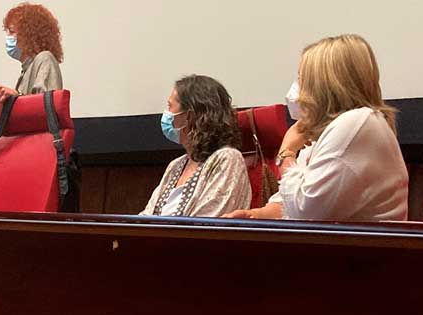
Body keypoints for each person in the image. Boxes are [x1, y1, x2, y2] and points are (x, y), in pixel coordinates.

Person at [226, 34, 408, 221]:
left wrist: (286, 153)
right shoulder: (324, 134)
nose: (297, 90)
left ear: (325, 85)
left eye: (302, 79)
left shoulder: (356, 123)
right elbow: (287, 204)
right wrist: (254, 216)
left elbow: (304, 210)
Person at [140, 75, 251, 217]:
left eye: (170, 106)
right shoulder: (176, 165)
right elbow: (147, 216)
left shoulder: (228, 158)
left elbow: (207, 223)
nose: (166, 114)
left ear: (189, 116)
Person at [0, 2, 64, 103]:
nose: (8, 37)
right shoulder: (27, 70)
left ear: (29, 35)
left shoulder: (45, 59)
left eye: (12, 32)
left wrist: (17, 97)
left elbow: (46, 108)